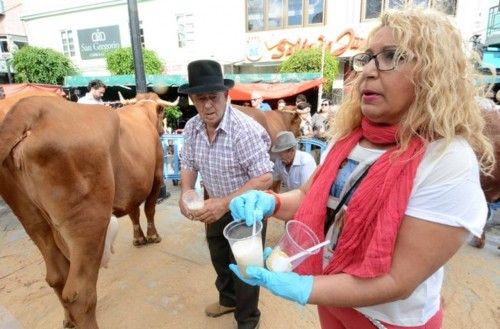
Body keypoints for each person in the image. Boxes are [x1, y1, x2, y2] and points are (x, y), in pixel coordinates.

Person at [227, 7, 494, 329]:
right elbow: (312, 197)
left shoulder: (446, 158)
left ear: (433, 73)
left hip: (389, 321)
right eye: (368, 57)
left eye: (391, 56)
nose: (368, 70)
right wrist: (273, 202)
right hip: (334, 298)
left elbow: (398, 280)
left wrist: (304, 287)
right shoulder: (348, 140)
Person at [178, 59, 273, 329]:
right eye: (200, 98)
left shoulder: (244, 131)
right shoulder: (193, 128)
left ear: (226, 95)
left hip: (246, 208)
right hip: (215, 204)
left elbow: (265, 177)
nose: (207, 105)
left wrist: (224, 203)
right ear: (192, 99)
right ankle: (228, 299)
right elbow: (189, 164)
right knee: (219, 255)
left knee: (245, 267)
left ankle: (247, 319)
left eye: (213, 97)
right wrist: (186, 191)